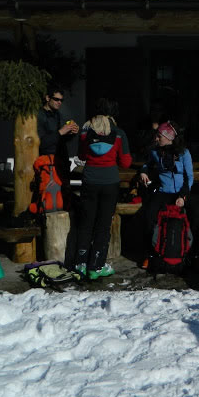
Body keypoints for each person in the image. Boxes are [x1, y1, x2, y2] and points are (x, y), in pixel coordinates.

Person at [75, 99, 132, 279]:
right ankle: (96, 266)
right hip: (110, 183)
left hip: (89, 180)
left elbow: (82, 155)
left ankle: (80, 264)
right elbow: (126, 162)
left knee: (86, 222)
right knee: (103, 225)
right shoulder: (118, 133)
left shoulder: (85, 131)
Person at [140, 121, 199, 271]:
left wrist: (183, 196)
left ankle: (194, 254)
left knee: (197, 214)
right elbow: (147, 164)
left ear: (169, 137)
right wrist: (143, 171)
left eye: (159, 136)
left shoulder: (184, 153)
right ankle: (150, 254)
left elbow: (188, 177)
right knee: (149, 214)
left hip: (181, 192)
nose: (156, 139)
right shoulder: (156, 152)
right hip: (164, 191)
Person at [38, 85, 79, 193]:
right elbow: (41, 143)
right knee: (49, 196)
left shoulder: (58, 115)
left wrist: (71, 132)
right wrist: (61, 132)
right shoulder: (39, 116)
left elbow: (62, 139)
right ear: (47, 98)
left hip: (61, 162)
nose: (59, 102)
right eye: (56, 99)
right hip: (48, 164)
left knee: (63, 196)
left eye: (61, 100)